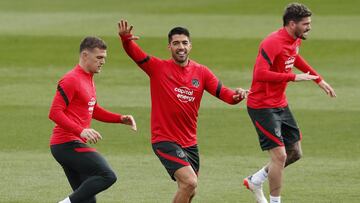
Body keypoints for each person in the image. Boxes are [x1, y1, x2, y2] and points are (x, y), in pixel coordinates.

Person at [117, 20, 248, 203]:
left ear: (190, 46)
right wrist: (126, 39)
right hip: (164, 139)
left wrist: (238, 95)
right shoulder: (157, 68)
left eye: (184, 43)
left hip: (189, 143)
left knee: (189, 191)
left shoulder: (201, 72)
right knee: (190, 183)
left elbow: (226, 95)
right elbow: (136, 54)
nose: (181, 47)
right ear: (169, 46)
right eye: (176, 43)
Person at [243, 3, 336, 203]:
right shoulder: (272, 42)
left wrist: (318, 79)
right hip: (262, 105)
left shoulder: (295, 39)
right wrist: (293, 78)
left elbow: (294, 57)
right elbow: (260, 74)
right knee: (280, 156)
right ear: (292, 24)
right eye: (306, 23)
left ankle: (255, 179)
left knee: (295, 152)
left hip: (280, 103)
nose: (309, 27)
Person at [49, 36, 137, 203]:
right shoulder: (71, 79)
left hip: (69, 144)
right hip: (66, 144)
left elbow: (93, 109)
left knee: (87, 201)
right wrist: (81, 130)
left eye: (104, 58)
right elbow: (54, 113)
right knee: (107, 175)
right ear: (84, 56)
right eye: (99, 57)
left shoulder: (88, 78)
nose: (102, 62)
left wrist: (120, 119)